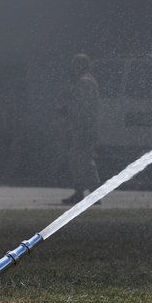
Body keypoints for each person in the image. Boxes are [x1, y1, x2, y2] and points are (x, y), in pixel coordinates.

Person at [59, 53, 100, 205]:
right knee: (84, 160)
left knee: (79, 160)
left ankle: (81, 192)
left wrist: (66, 109)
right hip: (83, 127)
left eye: (75, 65)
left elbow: (82, 105)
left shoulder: (84, 82)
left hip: (84, 127)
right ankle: (91, 193)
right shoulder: (85, 81)